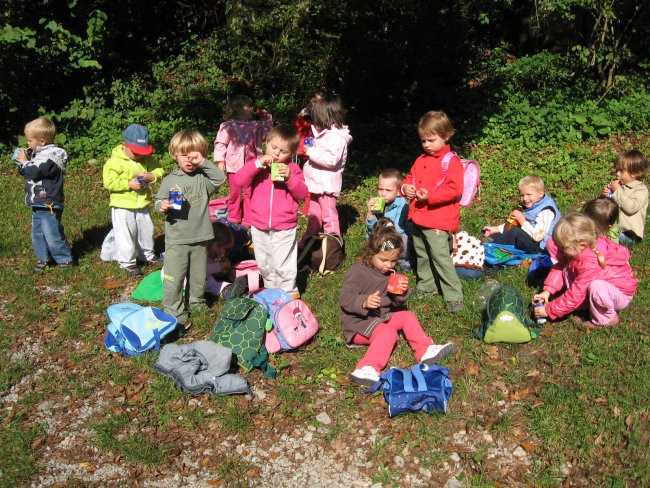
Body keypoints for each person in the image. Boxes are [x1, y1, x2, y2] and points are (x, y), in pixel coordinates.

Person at [339, 219, 457, 387]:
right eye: (384, 260)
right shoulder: (358, 271)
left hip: (381, 317)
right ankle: (367, 368)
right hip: (359, 324)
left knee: (407, 316)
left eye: (393, 261)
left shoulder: (390, 271)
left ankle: (425, 350)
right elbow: (345, 297)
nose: (389, 265)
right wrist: (363, 302)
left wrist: (401, 292)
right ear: (370, 253)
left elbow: (395, 303)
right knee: (388, 333)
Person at [155, 130, 226, 328]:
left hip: (200, 237)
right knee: (174, 278)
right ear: (174, 155)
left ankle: (197, 303)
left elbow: (220, 179)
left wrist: (203, 163)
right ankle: (174, 311)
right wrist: (161, 205)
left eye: (194, 155)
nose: (189, 159)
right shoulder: (169, 180)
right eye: (183, 154)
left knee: (197, 277)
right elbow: (158, 200)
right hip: (177, 239)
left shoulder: (202, 178)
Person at [234, 124, 308, 297]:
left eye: (283, 151)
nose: (276, 153)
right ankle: (270, 290)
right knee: (264, 262)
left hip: (284, 225)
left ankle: (289, 292)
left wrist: (289, 178)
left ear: (292, 153)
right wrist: (257, 164)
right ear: (266, 143)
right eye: (273, 147)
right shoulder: (257, 167)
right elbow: (239, 180)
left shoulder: (293, 169)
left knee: (283, 262)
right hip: (259, 224)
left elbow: (302, 193)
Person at [401, 111, 464, 312]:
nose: (426, 144)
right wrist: (406, 188)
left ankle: (453, 294)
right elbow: (411, 177)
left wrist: (430, 196)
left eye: (431, 140)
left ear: (446, 136)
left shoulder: (450, 160)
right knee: (422, 254)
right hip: (419, 216)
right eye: (423, 140)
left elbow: (455, 190)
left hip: (438, 219)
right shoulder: (421, 159)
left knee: (440, 257)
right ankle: (427, 285)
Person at [532, 213, 637, 328]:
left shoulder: (591, 263)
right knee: (567, 267)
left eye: (564, 248)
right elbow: (560, 266)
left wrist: (549, 310)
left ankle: (606, 319)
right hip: (603, 289)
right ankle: (587, 304)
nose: (561, 251)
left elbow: (576, 294)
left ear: (581, 245)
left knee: (597, 287)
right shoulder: (580, 248)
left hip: (619, 294)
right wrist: (547, 291)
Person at [103, 123, 165, 277]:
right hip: (122, 205)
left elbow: (159, 169)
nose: (140, 156)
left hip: (142, 203)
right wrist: (127, 184)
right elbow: (109, 182)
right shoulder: (114, 162)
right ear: (124, 145)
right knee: (125, 234)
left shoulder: (146, 159)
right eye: (136, 152)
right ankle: (127, 262)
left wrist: (152, 176)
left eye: (142, 152)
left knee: (146, 230)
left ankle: (147, 255)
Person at [15, 117, 74, 272]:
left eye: (29, 140)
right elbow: (28, 171)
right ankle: (43, 258)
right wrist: (23, 164)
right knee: (37, 233)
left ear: (41, 141)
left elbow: (34, 171)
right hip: (38, 203)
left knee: (52, 232)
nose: (28, 144)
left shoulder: (52, 157)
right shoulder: (39, 156)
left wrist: (25, 163)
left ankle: (64, 259)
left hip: (49, 203)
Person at [213, 95, 273, 228]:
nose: (251, 108)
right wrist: (220, 161)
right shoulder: (228, 126)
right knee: (235, 192)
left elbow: (266, 137)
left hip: (252, 165)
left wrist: (267, 119)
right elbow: (220, 144)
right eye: (248, 106)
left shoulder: (256, 125)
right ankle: (234, 216)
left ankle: (248, 218)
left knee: (250, 192)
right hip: (234, 165)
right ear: (238, 109)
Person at [300, 94, 352, 245]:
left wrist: (309, 151)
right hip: (316, 184)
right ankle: (311, 237)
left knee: (329, 215)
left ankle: (333, 242)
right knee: (314, 214)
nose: (314, 122)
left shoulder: (336, 138)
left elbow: (330, 160)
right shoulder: (325, 135)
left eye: (316, 118)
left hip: (327, 186)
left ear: (325, 117)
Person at [482, 175, 561, 254]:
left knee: (515, 233)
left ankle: (486, 250)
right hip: (532, 240)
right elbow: (515, 223)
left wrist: (522, 221)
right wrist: (497, 229)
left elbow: (538, 237)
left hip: (542, 248)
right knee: (502, 234)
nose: (525, 198)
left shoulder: (546, 211)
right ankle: (483, 244)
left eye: (529, 194)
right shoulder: (533, 205)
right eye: (522, 195)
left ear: (540, 193)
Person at [366, 168, 411, 271]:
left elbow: (398, 231)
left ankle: (402, 260)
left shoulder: (402, 204)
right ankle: (374, 258)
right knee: (369, 237)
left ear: (399, 192)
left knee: (405, 239)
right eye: (380, 189)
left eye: (388, 190)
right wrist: (371, 214)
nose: (383, 194)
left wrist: (385, 233)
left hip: (396, 237)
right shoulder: (377, 203)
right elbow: (370, 229)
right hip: (381, 237)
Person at [602, 150, 648, 245]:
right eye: (617, 170)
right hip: (614, 228)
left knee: (601, 235)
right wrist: (606, 195)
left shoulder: (641, 190)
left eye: (622, 171)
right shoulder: (620, 186)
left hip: (628, 234)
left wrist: (617, 191)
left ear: (636, 172)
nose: (617, 174)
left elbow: (630, 208)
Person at [205, 221, 248, 301]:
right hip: (192, 283)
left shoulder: (212, 256)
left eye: (226, 249)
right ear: (210, 240)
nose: (222, 251)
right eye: (219, 246)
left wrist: (222, 272)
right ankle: (227, 292)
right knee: (212, 285)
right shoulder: (200, 253)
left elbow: (212, 272)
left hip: (207, 281)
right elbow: (203, 270)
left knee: (215, 284)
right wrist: (220, 267)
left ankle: (230, 290)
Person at [293, 89, 326, 166]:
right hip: (302, 148)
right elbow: (296, 126)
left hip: (317, 149)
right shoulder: (305, 111)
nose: (315, 103)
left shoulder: (324, 115)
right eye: (314, 100)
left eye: (319, 101)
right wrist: (300, 118)